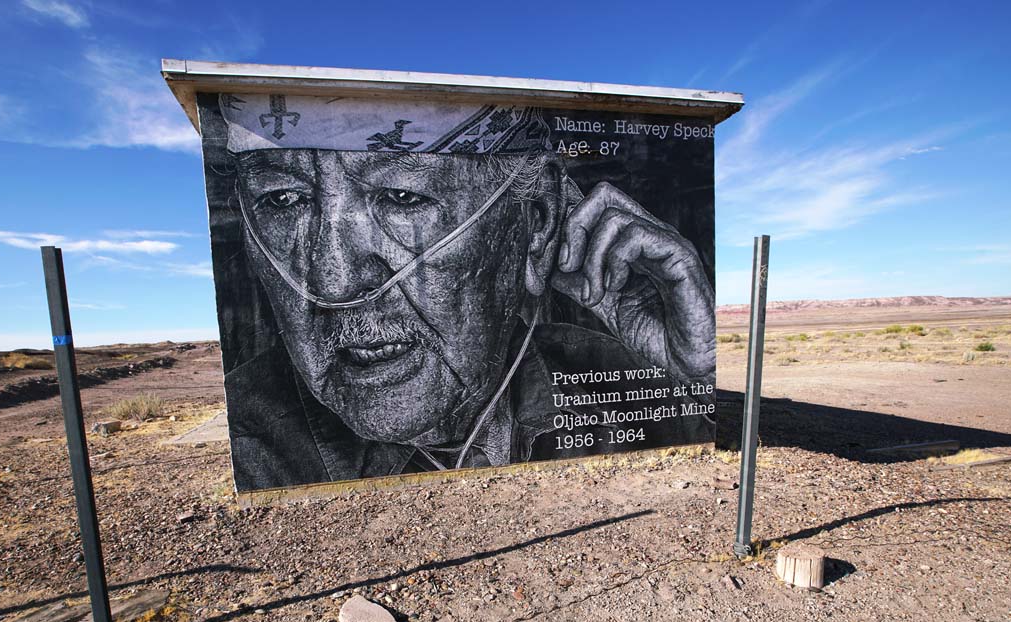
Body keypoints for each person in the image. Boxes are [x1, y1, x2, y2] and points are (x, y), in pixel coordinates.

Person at [209, 93, 716, 491]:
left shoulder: (618, 380)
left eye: (402, 197)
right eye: (282, 199)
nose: (334, 281)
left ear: (534, 226)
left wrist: (695, 376)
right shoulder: (254, 449)